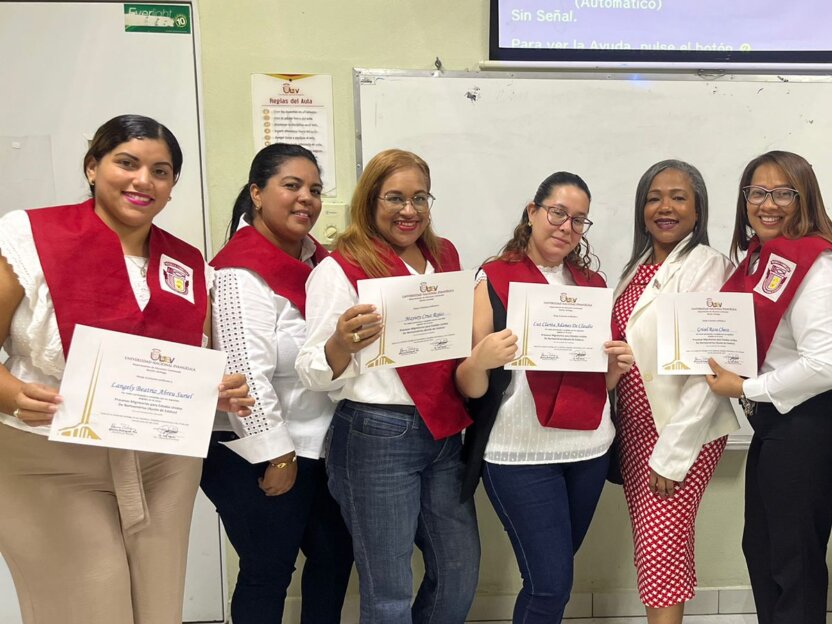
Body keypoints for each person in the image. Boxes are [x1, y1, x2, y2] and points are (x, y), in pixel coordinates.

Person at [0, 114, 252, 624]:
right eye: (127, 163)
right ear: (93, 167)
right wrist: (6, 391)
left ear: (172, 186)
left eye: (161, 171)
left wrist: (213, 390)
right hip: (51, 454)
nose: (143, 181)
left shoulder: (186, 264)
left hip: (162, 463)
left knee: (158, 608)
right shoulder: (30, 236)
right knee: (89, 605)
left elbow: (181, 361)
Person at [295, 148, 480, 624]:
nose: (409, 210)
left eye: (420, 197)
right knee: (389, 588)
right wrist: (341, 341)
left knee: (458, 572)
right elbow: (312, 370)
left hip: (443, 431)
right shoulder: (340, 269)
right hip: (377, 435)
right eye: (394, 198)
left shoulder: (445, 256)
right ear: (370, 202)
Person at [456, 171, 633, 624]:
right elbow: (471, 389)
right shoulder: (492, 278)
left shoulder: (592, 285)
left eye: (579, 220)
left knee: (552, 578)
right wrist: (481, 360)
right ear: (532, 212)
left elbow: (601, 386)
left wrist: (614, 367)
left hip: (589, 449)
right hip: (518, 455)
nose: (566, 227)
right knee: (551, 585)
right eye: (557, 213)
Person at [705, 151, 832, 624]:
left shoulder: (818, 264)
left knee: (793, 561)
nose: (766, 203)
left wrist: (747, 387)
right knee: (764, 550)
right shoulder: (759, 259)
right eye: (756, 192)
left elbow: (827, 364)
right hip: (779, 425)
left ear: (804, 197)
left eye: (782, 193)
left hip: (809, 426)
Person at [203, 143, 353, 624]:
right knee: (268, 571)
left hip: (321, 448)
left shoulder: (321, 265)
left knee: (333, 560)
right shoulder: (238, 272)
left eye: (314, 189)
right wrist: (277, 454)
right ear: (257, 193)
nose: (306, 198)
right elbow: (243, 373)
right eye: (291, 186)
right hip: (255, 450)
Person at [610, 160, 736, 624]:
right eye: (653, 197)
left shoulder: (711, 267)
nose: (665, 207)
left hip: (681, 432)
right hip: (636, 432)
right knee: (656, 545)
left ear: (698, 210)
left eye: (678, 197)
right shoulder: (637, 267)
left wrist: (674, 452)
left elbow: (712, 372)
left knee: (660, 547)